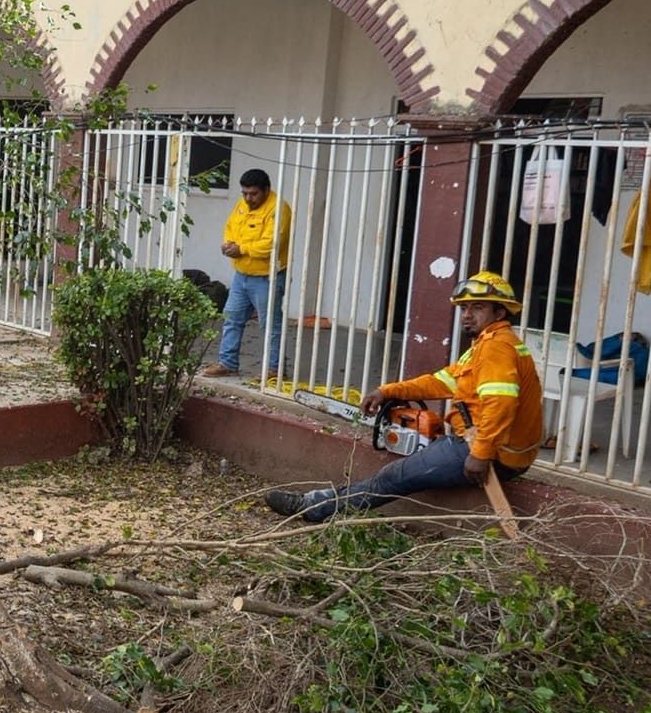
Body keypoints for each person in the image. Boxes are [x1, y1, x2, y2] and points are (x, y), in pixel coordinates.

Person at [266, 271, 544, 522]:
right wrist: (389, 391)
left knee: (392, 478)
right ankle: (318, 502)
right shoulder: (487, 345)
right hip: (480, 441)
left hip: (490, 452)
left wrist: (481, 454)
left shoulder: (497, 347)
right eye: (465, 308)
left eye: (478, 307)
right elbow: (441, 381)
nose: (468, 314)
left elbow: (502, 404)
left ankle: (311, 507)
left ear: (499, 313)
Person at [200, 168, 292, 382]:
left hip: (267, 276)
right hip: (242, 275)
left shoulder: (279, 209)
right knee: (232, 318)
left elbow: (272, 244)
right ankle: (228, 363)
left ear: (266, 190)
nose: (248, 198)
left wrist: (241, 249)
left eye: (253, 194)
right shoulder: (243, 205)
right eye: (245, 193)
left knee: (270, 325)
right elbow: (231, 226)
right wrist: (228, 243)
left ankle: (274, 369)